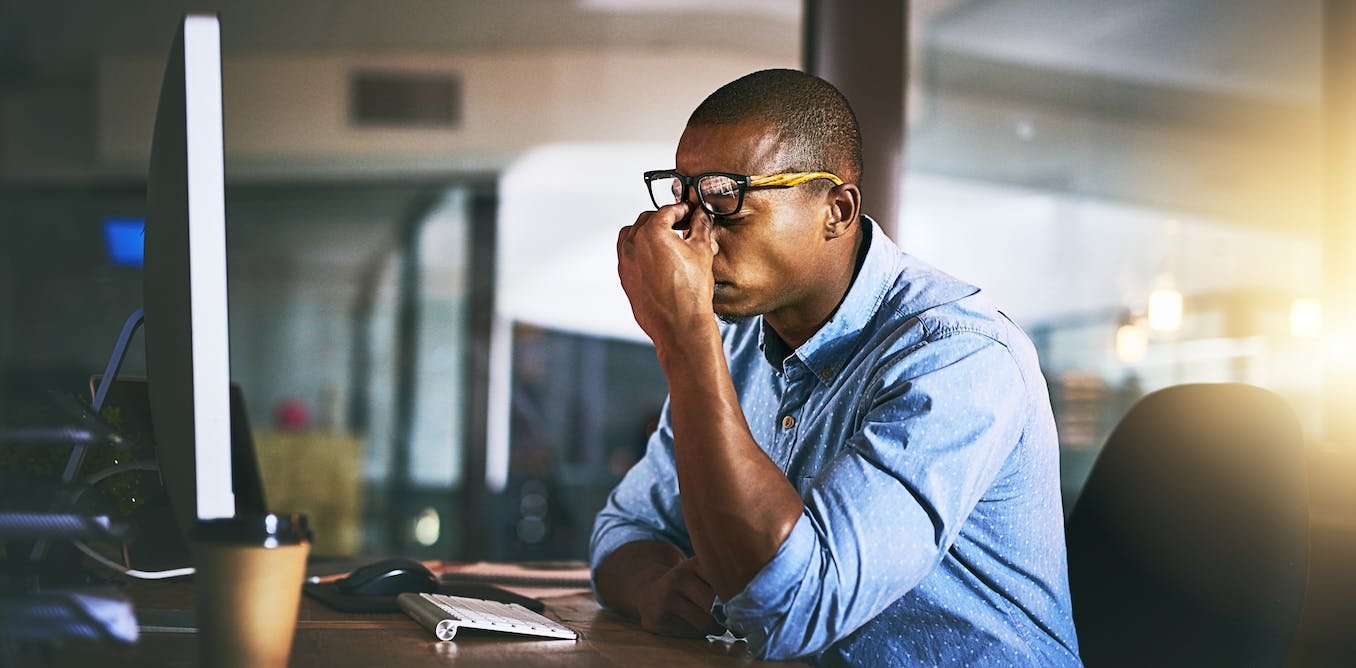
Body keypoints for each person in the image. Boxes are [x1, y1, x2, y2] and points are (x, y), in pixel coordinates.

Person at [591, 69, 1081, 665]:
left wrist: (685, 337)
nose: (696, 241)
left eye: (728, 204)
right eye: (686, 201)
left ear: (837, 210)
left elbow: (793, 606)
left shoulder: (958, 355)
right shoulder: (742, 342)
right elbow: (624, 527)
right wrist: (654, 590)